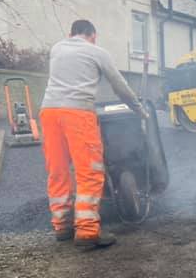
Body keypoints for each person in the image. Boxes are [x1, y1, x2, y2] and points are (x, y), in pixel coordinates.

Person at [40, 19, 147, 250]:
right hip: (77, 113)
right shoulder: (97, 52)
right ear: (93, 35)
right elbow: (119, 86)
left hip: (49, 112)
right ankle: (88, 231)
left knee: (57, 169)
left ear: (70, 34)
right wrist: (139, 110)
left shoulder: (57, 49)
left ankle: (62, 226)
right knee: (89, 171)